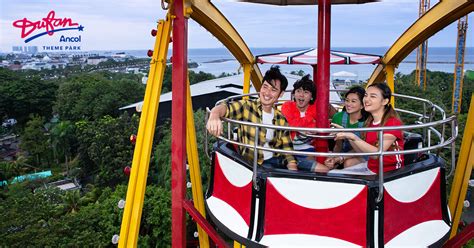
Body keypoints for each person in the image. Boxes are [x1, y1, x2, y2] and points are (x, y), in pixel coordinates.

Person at [206, 66, 298, 170]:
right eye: (265, 87)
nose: (267, 93)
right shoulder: (247, 107)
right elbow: (226, 107)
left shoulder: (281, 119)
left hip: (275, 162)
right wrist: (214, 115)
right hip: (252, 164)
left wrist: (293, 171)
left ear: (280, 94)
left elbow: (287, 151)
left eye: (273, 90)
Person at [331, 82, 404, 174]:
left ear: (384, 101)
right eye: (366, 95)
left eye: (372, 96)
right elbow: (362, 152)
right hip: (371, 168)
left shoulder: (392, 123)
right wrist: (348, 135)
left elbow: (377, 154)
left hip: (387, 173)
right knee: (332, 174)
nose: (366, 99)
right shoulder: (370, 122)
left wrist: (353, 136)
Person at [281, 75, 332, 172]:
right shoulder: (287, 106)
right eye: (298, 91)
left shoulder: (316, 108)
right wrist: (310, 120)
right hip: (288, 149)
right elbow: (291, 124)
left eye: (306, 92)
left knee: (323, 165)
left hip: (309, 148)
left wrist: (302, 124)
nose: (301, 95)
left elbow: (325, 126)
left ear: (312, 96)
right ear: (294, 94)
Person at [325, 86, 368, 168]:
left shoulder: (367, 122)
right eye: (347, 100)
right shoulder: (338, 117)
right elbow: (338, 145)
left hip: (363, 153)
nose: (348, 104)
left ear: (362, 105)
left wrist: (340, 158)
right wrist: (333, 158)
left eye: (353, 101)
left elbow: (362, 149)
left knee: (348, 163)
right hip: (343, 153)